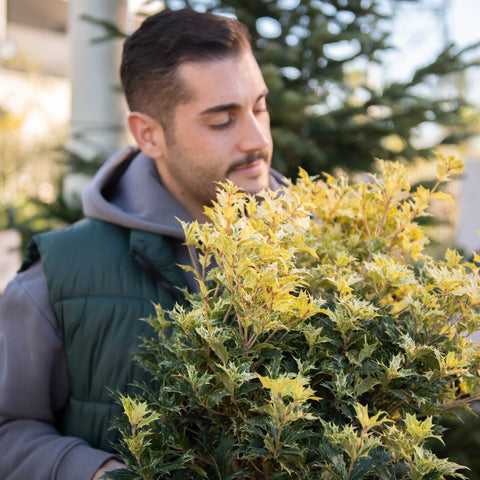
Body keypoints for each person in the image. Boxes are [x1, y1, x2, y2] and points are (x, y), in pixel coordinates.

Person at [0, 7, 286, 480]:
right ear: (148, 134)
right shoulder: (55, 278)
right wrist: (98, 474)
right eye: (222, 121)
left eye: (259, 106)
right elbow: (9, 430)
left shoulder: (325, 250)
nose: (256, 139)